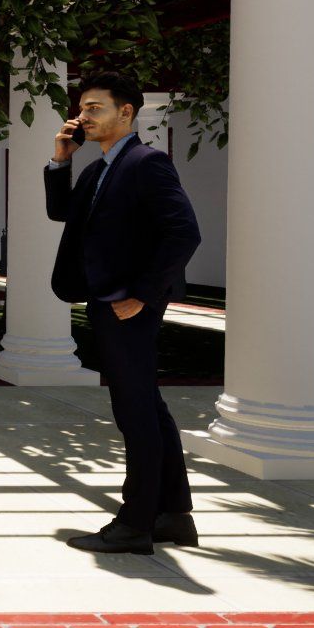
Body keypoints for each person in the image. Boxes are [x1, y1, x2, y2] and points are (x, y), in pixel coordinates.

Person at [47, 72, 202, 556]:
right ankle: (173, 515)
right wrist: (60, 161)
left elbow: (184, 232)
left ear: (126, 112)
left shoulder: (147, 163)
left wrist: (142, 294)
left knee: (134, 413)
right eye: (81, 108)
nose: (83, 116)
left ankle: (135, 524)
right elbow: (64, 214)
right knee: (147, 407)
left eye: (94, 108)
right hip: (106, 298)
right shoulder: (98, 169)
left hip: (127, 305)